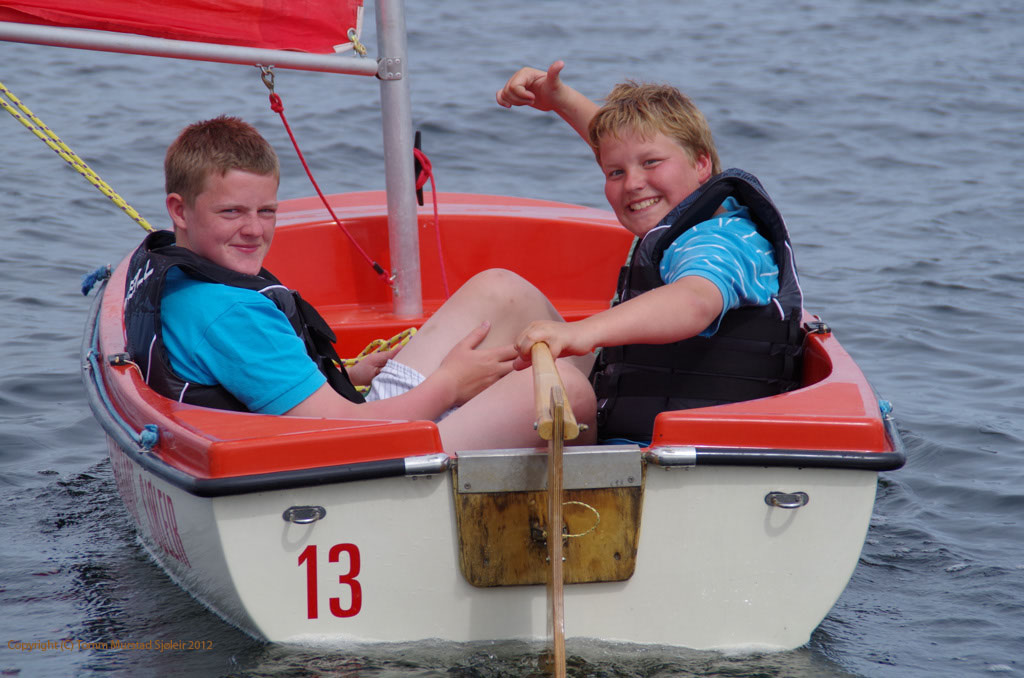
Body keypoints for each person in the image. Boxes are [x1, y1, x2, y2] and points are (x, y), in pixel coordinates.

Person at [123, 115, 596, 451]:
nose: (254, 229)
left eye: (266, 211)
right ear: (179, 210)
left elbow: (246, 384)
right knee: (565, 391)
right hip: (352, 458)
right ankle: (600, 471)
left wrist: (347, 375)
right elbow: (342, 430)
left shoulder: (175, 275)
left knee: (500, 290)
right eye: (231, 212)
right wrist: (451, 384)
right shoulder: (228, 314)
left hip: (332, 419)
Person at [498, 62, 805, 441]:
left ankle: (430, 439)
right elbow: (626, 148)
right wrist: (560, 99)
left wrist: (581, 332)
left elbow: (694, 301)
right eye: (615, 173)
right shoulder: (689, 214)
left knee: (551, 379)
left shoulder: (721, 241)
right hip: (630, 422)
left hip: (675, 453)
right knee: (499, 292)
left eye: (651, 163)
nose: (633, 184)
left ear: (701, 163)